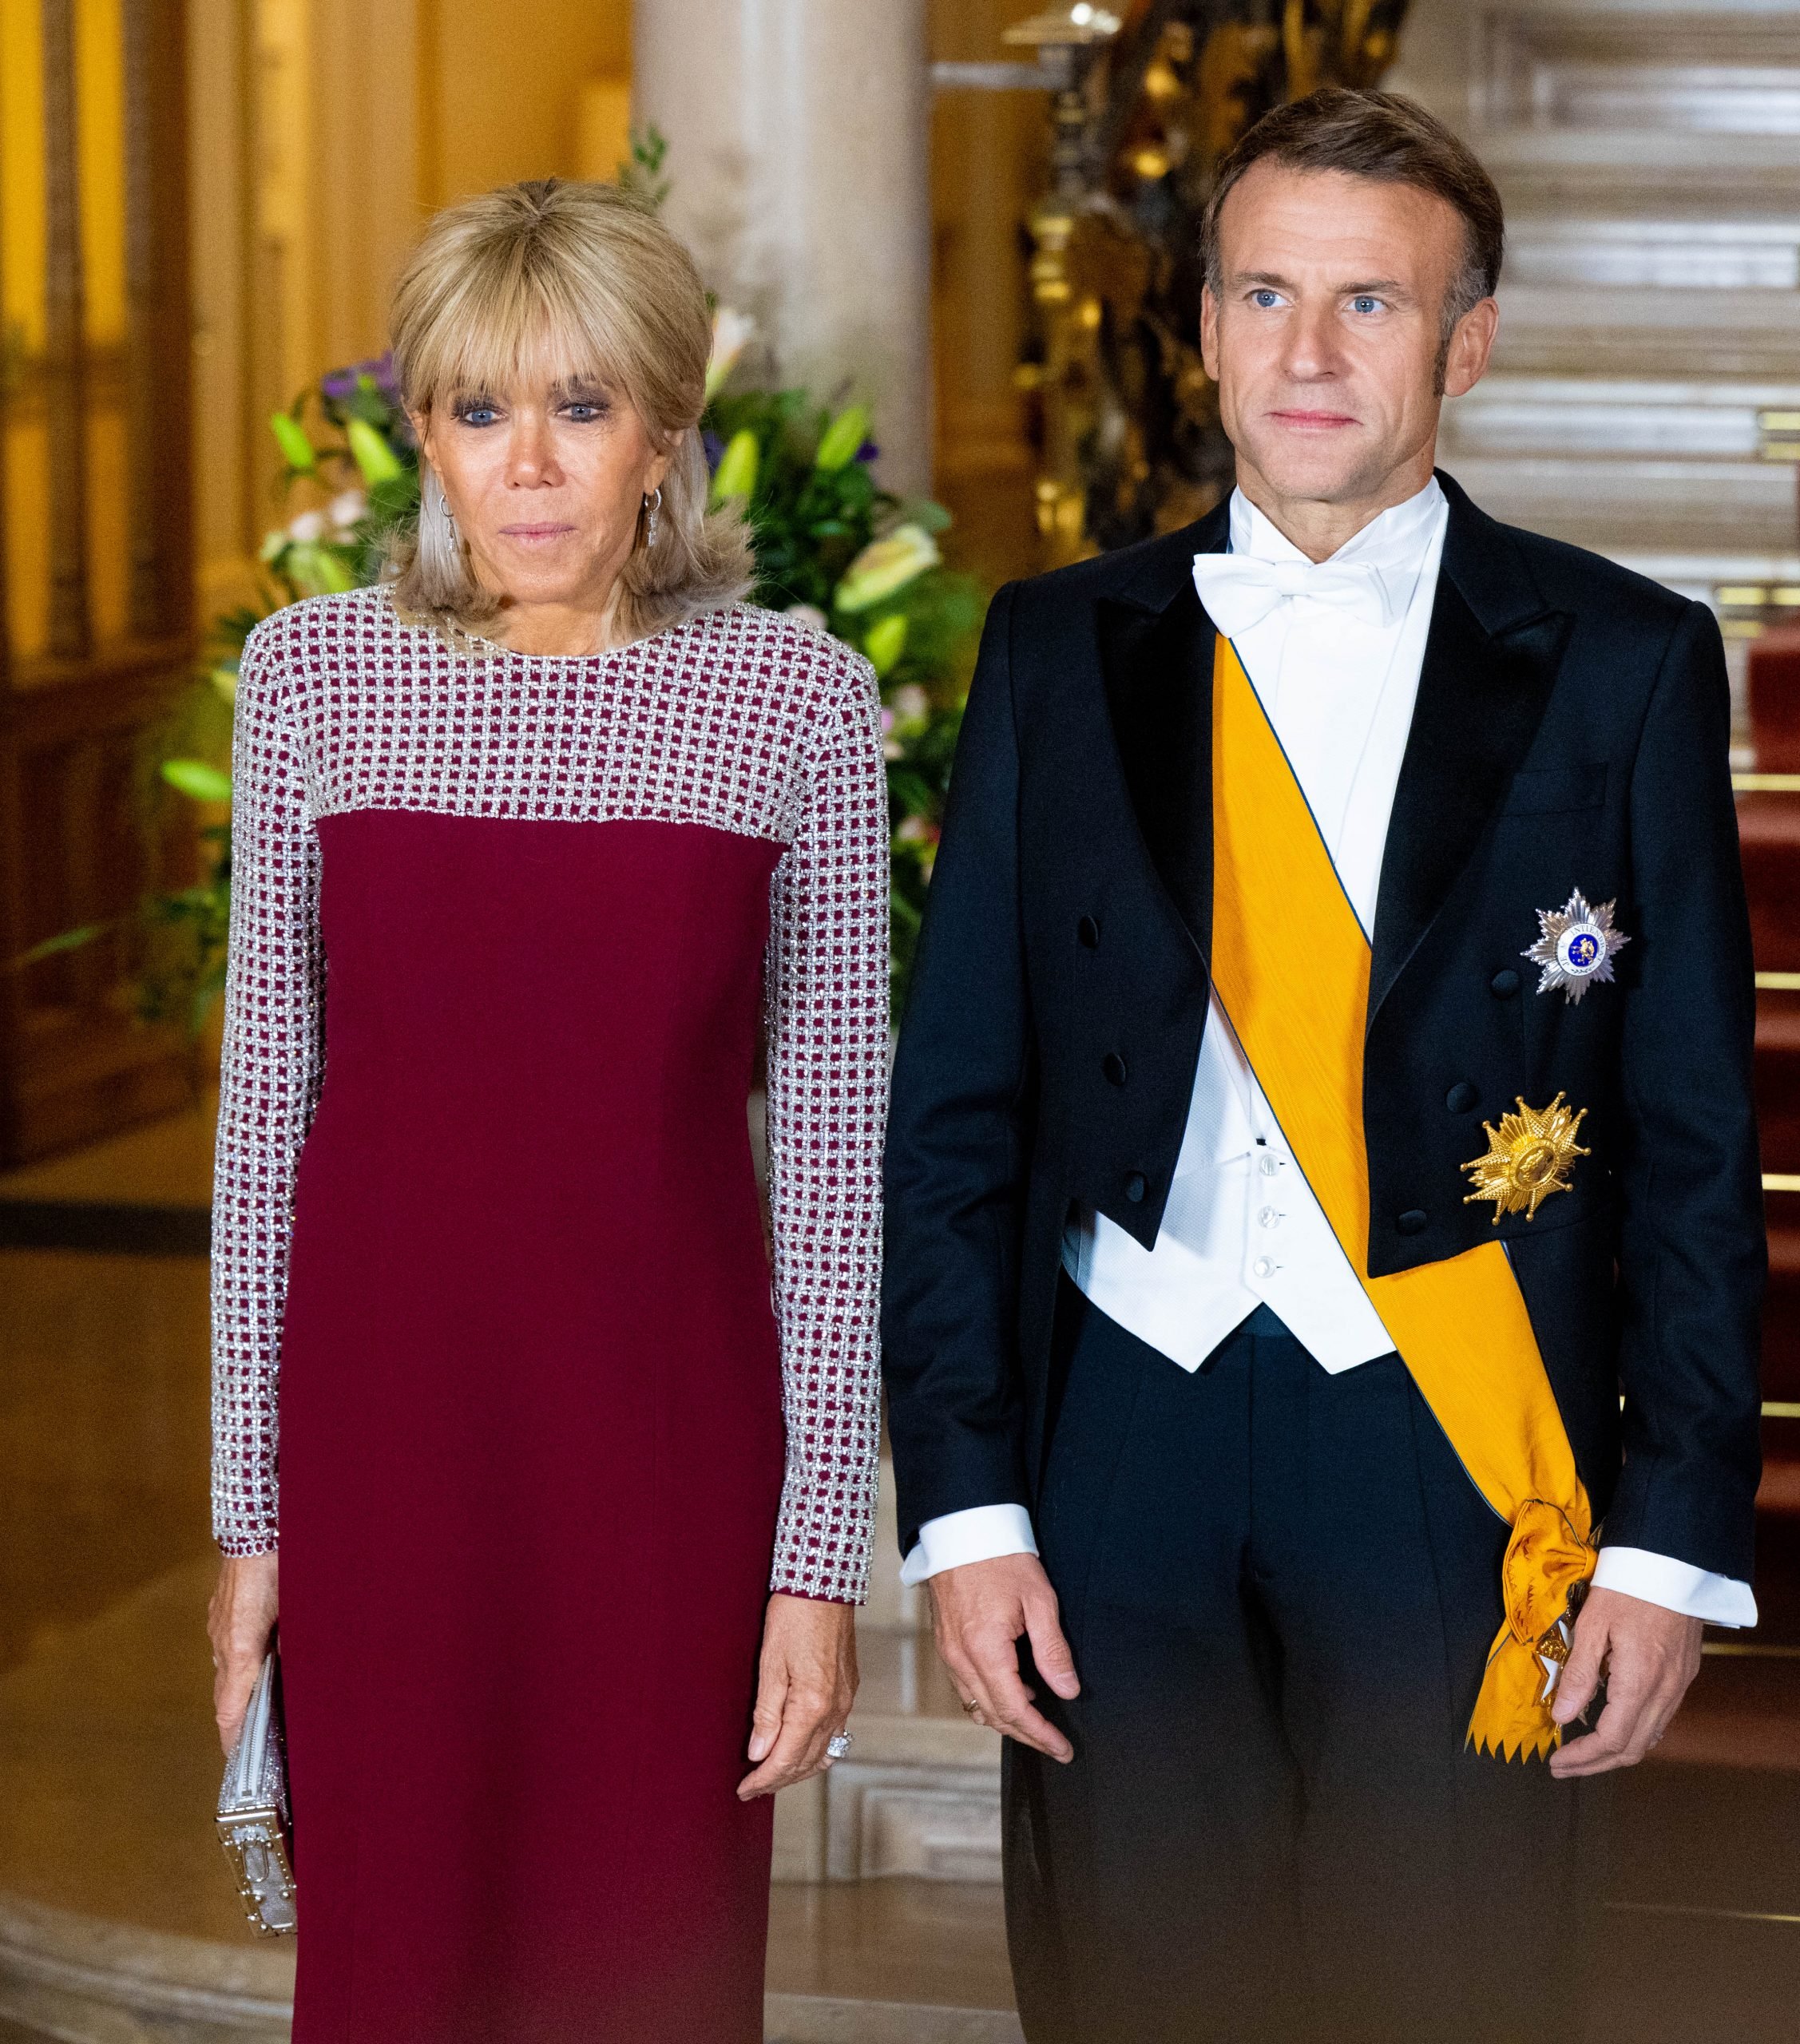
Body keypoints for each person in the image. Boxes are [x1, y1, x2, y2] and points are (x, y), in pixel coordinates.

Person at [883, 88, 1763, 2044]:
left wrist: (1668, 1534)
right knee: (1139, 1979)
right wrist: (965, 1506)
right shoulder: (1052, 646)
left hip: (1452, 1433)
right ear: (1195, 322)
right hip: (1125, 1419)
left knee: (1446, 1978)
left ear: (1467, 341)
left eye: (1368, 305)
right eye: (1262, 293)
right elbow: (953, 1109)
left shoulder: (1617, 660)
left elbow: (1694, 1136)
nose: (1302, 354)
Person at [204, 179, 889, 2042]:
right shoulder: (314, 679)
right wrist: (247, 1521)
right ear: (419, 426)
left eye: (580, 408)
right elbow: (265, 1130)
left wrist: (812, 1560)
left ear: (666, 431)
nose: (527, 467)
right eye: (481, 409)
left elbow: (832, 1174)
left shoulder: (798, 702)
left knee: (638, 1979)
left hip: (663, 1461)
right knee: (396, 1969)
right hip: (383, 1458)